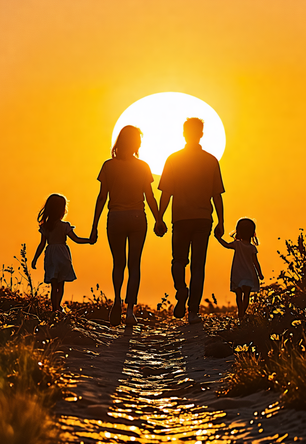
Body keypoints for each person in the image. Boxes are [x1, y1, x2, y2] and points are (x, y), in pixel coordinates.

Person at [90, 125, 164, 326]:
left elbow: (102, 197)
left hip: (115, 217)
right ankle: (130, 310)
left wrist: (94, 225)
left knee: (118, 263)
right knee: (134, 264)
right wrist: (158, 218)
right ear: (135, 143)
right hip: (137, 217)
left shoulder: (108, 166)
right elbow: (149, 196)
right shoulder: (142, 166)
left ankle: (117, 300)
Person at [157, 117, 225, 324]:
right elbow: (217, 195)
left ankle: (181, 290)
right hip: (203, 218)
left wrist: (159, 218)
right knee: (198, 265)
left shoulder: (173, 159)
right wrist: (221, 221)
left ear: (184, 133)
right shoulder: (211, 160)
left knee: (178, 261)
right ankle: (193, 311)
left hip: (181, 218)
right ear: (201, 134)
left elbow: (166, 193)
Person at [32, 193, 91, 312]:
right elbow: (76, 239)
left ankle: (55, 307)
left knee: (54, 285)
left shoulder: (46, 227)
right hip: (63, 255)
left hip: (51, 256)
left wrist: (35, 259)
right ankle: (57, 306)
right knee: (61, 284)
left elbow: (42, 244)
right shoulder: (64, 226)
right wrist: (89, 240)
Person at [216, 217, 264, 319]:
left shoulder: (237, 244)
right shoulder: (252, 248)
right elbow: (256, 262)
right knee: (246, 295)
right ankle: (242, 313)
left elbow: (226, 245)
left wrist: (219, 238)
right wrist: (260, 274)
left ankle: (240, 312)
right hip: (248, 274)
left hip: (237, 274)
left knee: (238, 295)